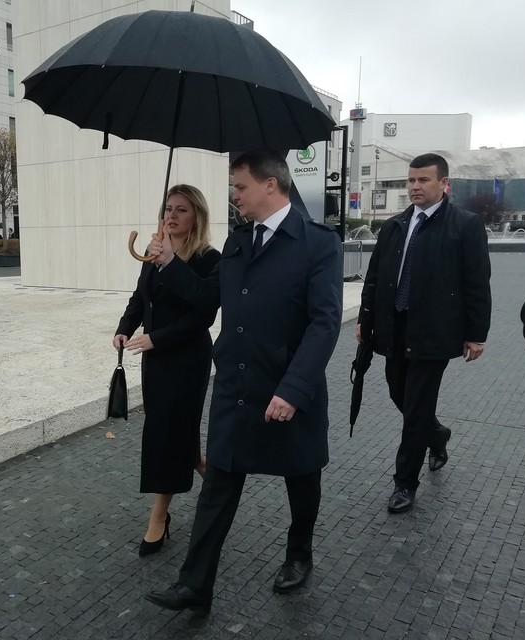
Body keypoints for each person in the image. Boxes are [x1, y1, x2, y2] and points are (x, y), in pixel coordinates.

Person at [144, 151, 343, 613]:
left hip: (287, 386)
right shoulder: (238, 242)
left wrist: (293, 389)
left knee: (301, 476)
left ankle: (299, 555)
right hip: (235, 387)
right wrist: (170, 262)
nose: (235, 196)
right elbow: (205, 297)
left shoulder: (318, 243)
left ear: (270, 185)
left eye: (240, 187)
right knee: (218, 484)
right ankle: (194, 585)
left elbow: (324, 323)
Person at [356, 153, 491, 514]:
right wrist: (366, 321)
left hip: (434, 332)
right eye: (411, 180)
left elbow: (477, 283)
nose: (414, 187)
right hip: (394, 327)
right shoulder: (395, 225)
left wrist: (476, 334)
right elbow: (375, 278)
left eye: (423, 180)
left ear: (444, 184)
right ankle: (437, 433)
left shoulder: (465, 225)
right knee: (398, 393)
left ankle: (404, 483)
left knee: (416, 409)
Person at [114, 184, 221, 558]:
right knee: (173, 429)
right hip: (155, 360)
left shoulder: (209, 258)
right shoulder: (153, 252)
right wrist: (125, 327)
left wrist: (156, 338)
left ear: (197, 217)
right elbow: (140, 298)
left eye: (181, 210)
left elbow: (204, 311)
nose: (172, 216)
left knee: (166, 433)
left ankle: (159, 516)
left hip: (187, 359)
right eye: (168, 209)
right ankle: (206, 469)